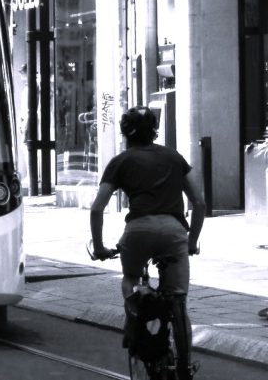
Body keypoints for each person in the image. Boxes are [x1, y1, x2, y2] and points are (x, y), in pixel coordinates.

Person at [90, 106, 206, 380]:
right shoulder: (174, 157)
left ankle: (134, 325)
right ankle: (184, 367)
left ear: (125, 134)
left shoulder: (121, 161)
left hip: (139, 231)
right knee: (179, 300)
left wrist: (99, 247)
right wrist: (192, 241)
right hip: (174, 231)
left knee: (130, 278)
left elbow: (97, 209)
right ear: (154, 132)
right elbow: (199, 203)